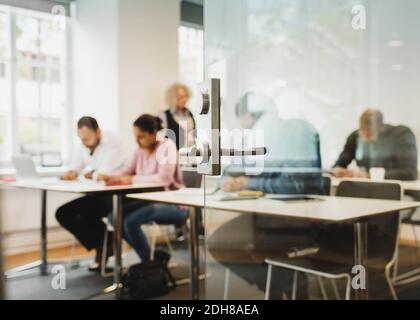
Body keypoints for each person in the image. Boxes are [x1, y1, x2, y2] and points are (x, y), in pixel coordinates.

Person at [100, 114, 187, 262]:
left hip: (172, 203)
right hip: (146, 200)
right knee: (113, 217)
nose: (138, 141)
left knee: (130, 221)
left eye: (142, 136)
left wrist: (132, 179)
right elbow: (127, 170)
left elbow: (164, 179)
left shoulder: (167, 147)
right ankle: (150, 259)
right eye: (136, 137)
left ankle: (149, 261)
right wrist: (109, 176)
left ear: (154, 134)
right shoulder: (139, 149)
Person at [55, 116, 127, 271]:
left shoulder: (114, 141)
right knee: (63, 213)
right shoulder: (84, 144)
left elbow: (105, 172)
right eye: (81, 139)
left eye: (87, 138)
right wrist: (72, 172)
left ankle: (105, 246)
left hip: (115, 193)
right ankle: (103, 244)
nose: (84, 143)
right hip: (96, 193)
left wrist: (91, 173)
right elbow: (77, 166)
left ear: (98, 132)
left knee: (87, 212)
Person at [333, 109, 418, 180]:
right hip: (364, 188)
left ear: (381, 127)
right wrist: (338, 170)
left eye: (370, 133)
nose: (366, 136)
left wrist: (368, 174)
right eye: (363, 131)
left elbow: (410, 173)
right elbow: (340, 164)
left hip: (395, 189)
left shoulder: (402, 135)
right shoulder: (355, 136)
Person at [159, 83, 196, 150]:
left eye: (186, 96)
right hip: (174, 156)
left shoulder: (189, 113)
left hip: (191, 155)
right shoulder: (164, 116)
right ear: (172, 98)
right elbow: (161, 140)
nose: (185, 99)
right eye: (181, 97)